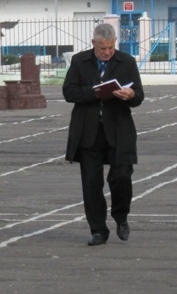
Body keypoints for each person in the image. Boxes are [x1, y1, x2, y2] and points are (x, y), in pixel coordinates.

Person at [62, 23, 144, 246]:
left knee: (121, 177)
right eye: (102, 48)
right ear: (93, 44)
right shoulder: (80, 61)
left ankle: (121, 216)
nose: (107, 52)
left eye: (110, 47)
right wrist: (94, 92)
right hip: (89, 131)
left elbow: (139, 95)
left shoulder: (126, 61)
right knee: (91, 184)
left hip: (119, 130)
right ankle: (98, 230)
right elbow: (69, 92)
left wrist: (130, 94)